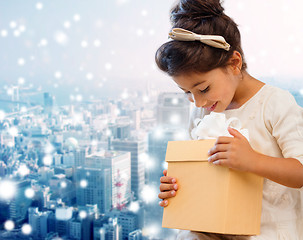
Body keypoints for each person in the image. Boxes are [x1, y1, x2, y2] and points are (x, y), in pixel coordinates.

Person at [155, 0, 303, 239]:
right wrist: (176, 186)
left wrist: (252, 160)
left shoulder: (275, 104)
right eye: (187, 93)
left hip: (268, 230)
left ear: (234, 63)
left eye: (203, 89)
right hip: (214, 228)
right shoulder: (202, 113)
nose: (198, 102)